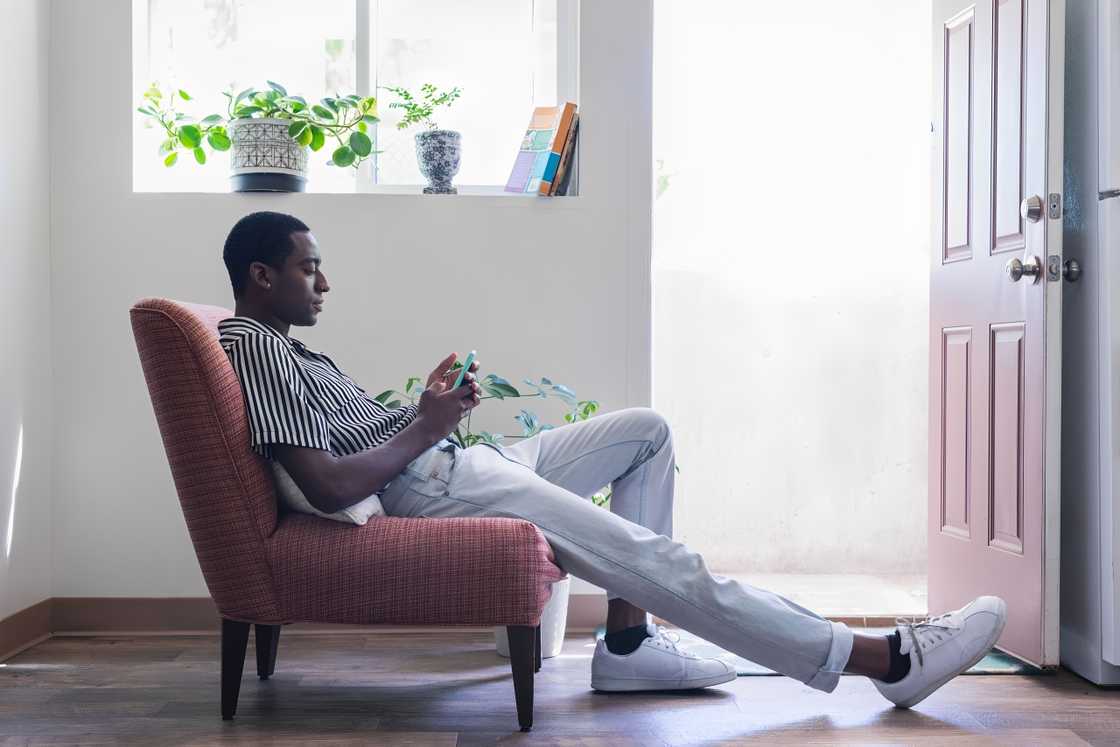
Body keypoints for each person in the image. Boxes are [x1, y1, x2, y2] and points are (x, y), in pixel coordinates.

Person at [217, 210, 1007, 707]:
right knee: (654, 558)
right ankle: (883, 658)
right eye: (308, 266)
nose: (324, 281)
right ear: (261, 274)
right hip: (433, 483)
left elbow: (354, 440)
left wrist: (433, 409)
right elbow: (327, 485)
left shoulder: (286, 346)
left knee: (645, 431)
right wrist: (425, 428)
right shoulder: (254, 345)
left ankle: (627, 645)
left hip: (453, 458)